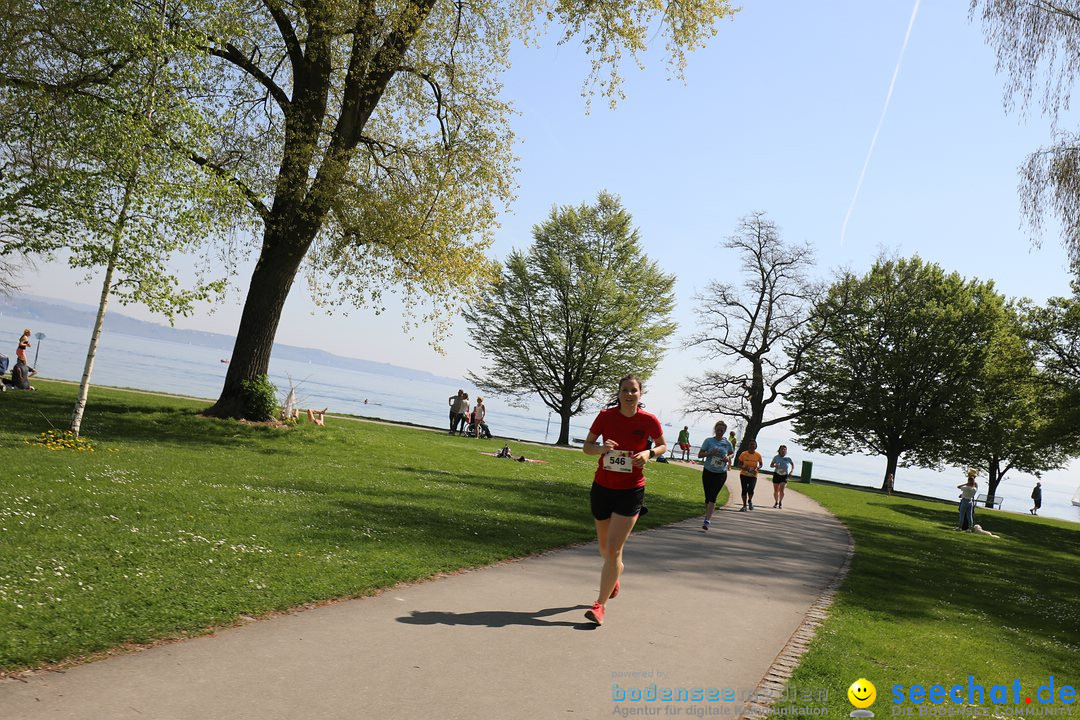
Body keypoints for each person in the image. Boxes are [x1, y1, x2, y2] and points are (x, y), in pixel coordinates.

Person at [581, 374, 666, 626]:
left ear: (640, 395)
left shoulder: (648, 420)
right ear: (618, 393)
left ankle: (600, 606)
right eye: (625, 390)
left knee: (615, 549)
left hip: (631, 490)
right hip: (602, 488)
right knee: (605, 550)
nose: (629, 394)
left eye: (634, 390)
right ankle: (614, 577)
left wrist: (648, 453)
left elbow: (663, 445)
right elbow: (587, 447)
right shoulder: (605, 417)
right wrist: (601, 449)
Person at [697, 420, 734, 530]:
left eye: (722, 431)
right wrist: (710, 453)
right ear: (715, 430)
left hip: (720, 473)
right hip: (708, 471)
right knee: (707, 497)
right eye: (718, 430)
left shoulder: (728, 443)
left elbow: (732, 453)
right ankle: (707, 515)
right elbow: (700, 455)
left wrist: (728, 458)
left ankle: (707, 520)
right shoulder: (708, 441)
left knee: (713, 497)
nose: (719, 432)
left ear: (725, 431)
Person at [737, 440, 763, 511]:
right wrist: (744, 468)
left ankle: (750, 500)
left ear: (756, 446)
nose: (752, 446)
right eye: (751, 444)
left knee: (751, 489)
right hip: (744, 474)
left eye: (753, 445)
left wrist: (757, 468)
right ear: (748, 446)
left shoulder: (758, 455)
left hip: (753, 475)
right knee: (744, 490)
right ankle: (744, 505)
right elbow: (739, 464)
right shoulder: (743, 454)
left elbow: (761, 464)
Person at [770, 445, 795, 509]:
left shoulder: (788, 458)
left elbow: (792, 464)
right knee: (776, 490)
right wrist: (775, 465)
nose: (783, 450)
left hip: (784, 475)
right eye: (782, 449)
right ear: (779, 450)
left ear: (786, 451)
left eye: (785, 449)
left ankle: (780, 502)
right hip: (777, 474)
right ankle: (776, 502)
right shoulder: (776, 457)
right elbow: (771, 465)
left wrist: (791, 471)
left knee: (782, 490)